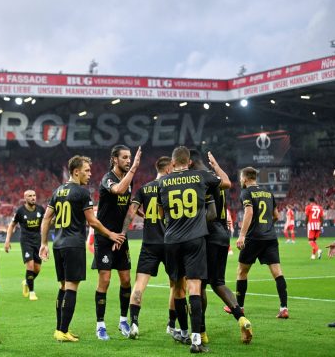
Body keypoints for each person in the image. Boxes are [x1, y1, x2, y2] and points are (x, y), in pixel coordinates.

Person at [39, 155, 125, 342]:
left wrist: (44, 243)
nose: (90, 174)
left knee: (63, 287)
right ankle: (63, 331)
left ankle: (59, 329)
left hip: (58, 244)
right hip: (73, 244)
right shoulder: (82, 193)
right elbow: (92, 221)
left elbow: (46, 218)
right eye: (86, 170)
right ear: (76, 172)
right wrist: (110, 234)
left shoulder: (58, 191)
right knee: (71, 288)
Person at [157, 147, 231, 353]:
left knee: (178, 288)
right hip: (194, 239)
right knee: (195, 288)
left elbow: (161, 212)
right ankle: (196, 340)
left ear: (172, 164)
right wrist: (216, 166)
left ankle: (182, 331)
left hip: (171, 240)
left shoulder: (163, 181)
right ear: (189, 162)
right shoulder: (200, 176)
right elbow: (226, 183)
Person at [189, 150, 252, 345]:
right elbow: (228, 183)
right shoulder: (215, 177)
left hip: (207, 234)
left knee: (199, 285)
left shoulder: (199, 179)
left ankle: (202, 332)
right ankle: (241, 318)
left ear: (189, 163)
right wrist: (216, 165)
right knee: (218, 282)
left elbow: (210, 212)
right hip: (223, 235)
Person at [120, 156, 179, 339]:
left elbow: (131, 212)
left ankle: (134, 324)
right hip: (170, 243)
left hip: (149, 244)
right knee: (176, 286)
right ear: (169, 169)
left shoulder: (144, 188)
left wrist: (123, 232)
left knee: (139, 285)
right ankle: (171, 325)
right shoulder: (172, 187)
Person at [92, 145, 141, 340]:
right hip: (105, 237)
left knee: (126, 280)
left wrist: (146, 215)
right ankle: (100, 325)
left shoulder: (129, 180)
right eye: (125, 157)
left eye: (130, 158)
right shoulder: (108, 178)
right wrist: (135, 168)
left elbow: (128, 204)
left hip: (121, 236)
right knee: (104, 280)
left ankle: (122, 321)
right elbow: (119, 191)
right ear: (114, 159)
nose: (128, 160)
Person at [235, 167, 289, 319]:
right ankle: (284, 308)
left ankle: (240, 307)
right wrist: (267, 227)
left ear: (245, 178)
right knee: (277, 273)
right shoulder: (268, 193)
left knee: (241, 271)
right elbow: (276, 216)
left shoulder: (246, 192)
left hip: (253, 238)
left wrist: (242, 236)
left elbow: (249, 212)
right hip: (270, 238)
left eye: (240, 177)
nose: (240, 180)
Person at [4, 190, 46, 301]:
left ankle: (26, 282)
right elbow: (11, 225)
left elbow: (47, 221)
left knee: (37, 269)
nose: (33, 198)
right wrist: (7, 240)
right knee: (30, 266)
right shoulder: (20, 211)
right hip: (26, 241)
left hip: (38, 241)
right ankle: (32, 292)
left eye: (34, 195)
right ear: (25, 198)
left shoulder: (41, 209)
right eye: (30, 196)